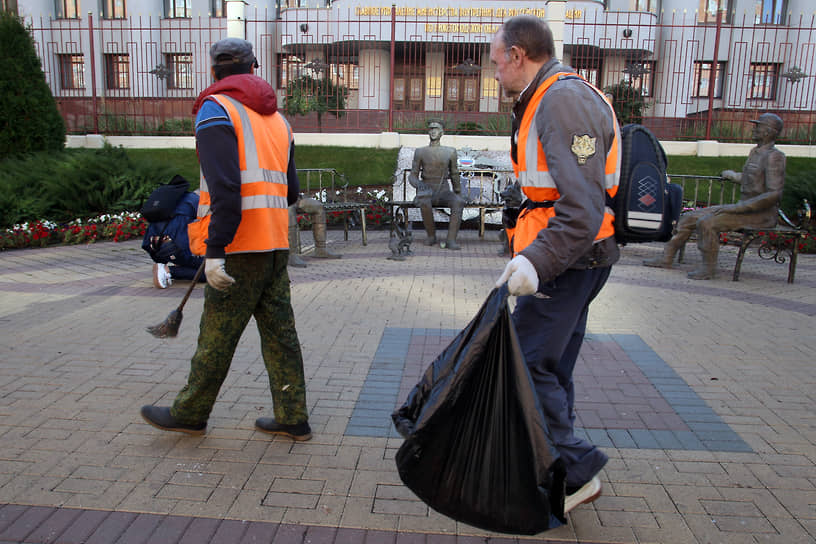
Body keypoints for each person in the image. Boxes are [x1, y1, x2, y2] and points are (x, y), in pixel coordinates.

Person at [140, 37, 312, 441]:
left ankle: (189, 412)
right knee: (281, 336)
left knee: (216, 336)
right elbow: (289, 192)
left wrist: (214, 251)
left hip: (237, 248)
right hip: (274, 245)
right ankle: (292, 417)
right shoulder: (278, 121)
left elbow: (225, 190)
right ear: (254, 70)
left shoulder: (216, 110)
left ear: (214, 71)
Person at [490, 16, 621, 514]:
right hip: (574, 256)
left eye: (497, 62)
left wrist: (537, 265)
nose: (495, 72)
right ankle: (550, 466)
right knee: (551, 364)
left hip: (568, 259)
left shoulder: (562, 101)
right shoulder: (549, 96)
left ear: (519, 56)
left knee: (527, 364)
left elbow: (581, 208)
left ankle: (574, 470)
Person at [644, 113, 786, 279]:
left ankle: (708, 269)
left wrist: (739, 207)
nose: (754, 129)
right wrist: (733, 175)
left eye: (758, 126)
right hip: (744, 209)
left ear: (768, 131)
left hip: (760, 215)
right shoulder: (756, 152)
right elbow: (753, 179)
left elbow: (774, 193)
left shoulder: (774, 157)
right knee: (689, 217)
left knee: (707, 223)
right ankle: (666, 257)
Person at [408, 121, 465, 249]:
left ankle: (451, 240)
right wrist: (419, 185)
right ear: (428, 132)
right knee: (424, 201)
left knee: (458, 202)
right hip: (427, 190)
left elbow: (455, 174)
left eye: (436, 129)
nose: (433, 131)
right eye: (431, 129)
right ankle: (431, 236)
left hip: (444, 191)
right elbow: (413, 175)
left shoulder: (450, 152)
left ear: (442, 133)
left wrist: (458, 192)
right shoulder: (420, 152)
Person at [142, 190, 206, 288]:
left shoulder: (176, 199)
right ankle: (169, 271)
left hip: (155, 246)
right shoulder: (202, 203)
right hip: (175, 248)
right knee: (214, 272)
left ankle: (178, 264)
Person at [288, 196, 341, 268]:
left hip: (295, 199)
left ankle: (320, 249)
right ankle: (291, 254)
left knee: (319, 207)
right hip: (278, 200)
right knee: (289, 211)